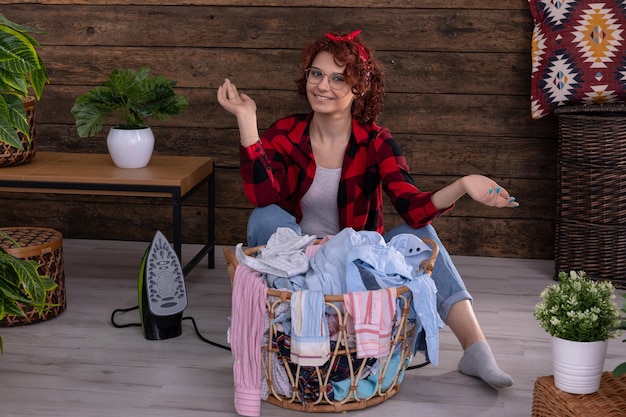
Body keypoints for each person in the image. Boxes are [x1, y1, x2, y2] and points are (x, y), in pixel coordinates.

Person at [217, 29, 518, 388]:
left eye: (338, 78)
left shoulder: (376, 141)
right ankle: (291, 335)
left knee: (419, 235)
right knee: (265, 216)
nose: (322, 85)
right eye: (316, 74)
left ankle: (476, 351)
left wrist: (463, 185)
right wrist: (246, 122)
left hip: (356, 263)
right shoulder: (286, 132)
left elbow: (412, 208)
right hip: (299, 264)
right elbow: (262, 195)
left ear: (360, 88)